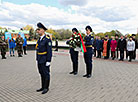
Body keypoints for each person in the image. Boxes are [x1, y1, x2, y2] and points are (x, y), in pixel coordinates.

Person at [35, 22, 52, 94]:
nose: (37, 31)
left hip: (45, 59)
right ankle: (42, 86)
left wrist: (48, 60)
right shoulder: (39, 39)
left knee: (46, 73)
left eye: (39, 29)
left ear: (43, 30)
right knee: (41, 73)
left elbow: (49, 51)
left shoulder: (47, 39)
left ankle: (46, 87)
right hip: (39, 59)